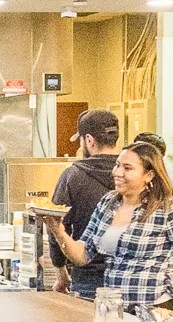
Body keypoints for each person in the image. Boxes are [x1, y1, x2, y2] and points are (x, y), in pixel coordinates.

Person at [49, 136, 173, 312]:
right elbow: (82, 255)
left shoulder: (167, 208)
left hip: (155, 310)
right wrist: (58, 231)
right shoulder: (108, 202)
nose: (117, 173)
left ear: (149, 175)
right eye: (117, 165)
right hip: (113, 309)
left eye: (127, 168)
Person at [52, 110, 123, 293]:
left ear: (89, 140)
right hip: (129, 278)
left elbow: (57, 224)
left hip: (88, 274)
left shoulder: (72, 176)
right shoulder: (134, 175)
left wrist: (60, 271)